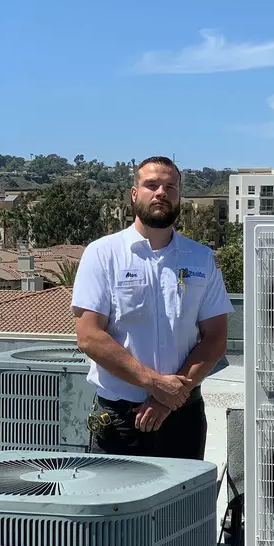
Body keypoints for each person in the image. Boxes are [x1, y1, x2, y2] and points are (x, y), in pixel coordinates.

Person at [72, 155, 232, 459]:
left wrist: (168, 398)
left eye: (170, 187)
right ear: (134, 194)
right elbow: (89, 336)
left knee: (185, 493)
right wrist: (154, 384)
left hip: (183, 416)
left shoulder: (201, 258)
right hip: (119, 421)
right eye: (152, 185)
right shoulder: (103, 254)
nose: (161, 193)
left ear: (179, 197)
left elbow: (216, 338)